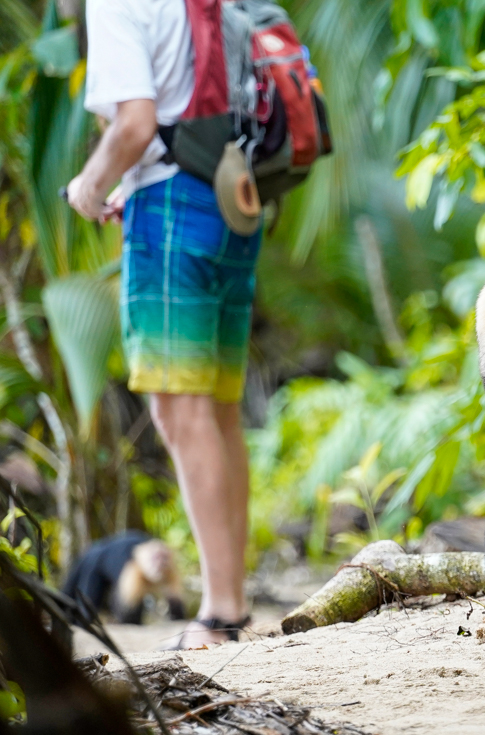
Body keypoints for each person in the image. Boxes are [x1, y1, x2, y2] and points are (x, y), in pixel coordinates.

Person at [66, 0, 258, 648]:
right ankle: (232, 597)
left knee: (181, 411)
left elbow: (136, 125)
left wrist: (89, 186)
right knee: (221, 409)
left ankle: (222, 609)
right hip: (230, 198)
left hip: (171, 210)